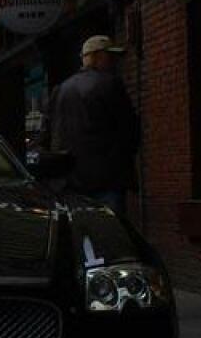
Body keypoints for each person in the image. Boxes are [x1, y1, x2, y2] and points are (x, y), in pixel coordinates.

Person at [47, 34, 139, 216]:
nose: (113, 62)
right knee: (111, 233)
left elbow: (51, 132)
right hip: (106, 178)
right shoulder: (110, 84)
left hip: (71, 181)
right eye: (109, 56)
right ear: (96, 56)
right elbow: (129, 128)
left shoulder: (61, 89)